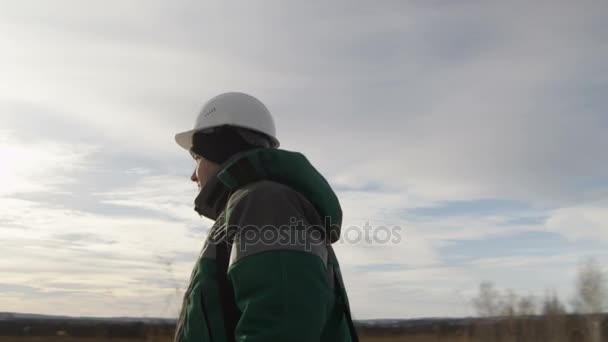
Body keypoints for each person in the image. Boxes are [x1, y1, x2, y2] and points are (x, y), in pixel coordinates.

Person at [173, 92, 359, 342]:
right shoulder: (253, 205)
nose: (193, 176)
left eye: (197, 157)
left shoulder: (266, 202)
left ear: (220, 150)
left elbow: (282, 326)